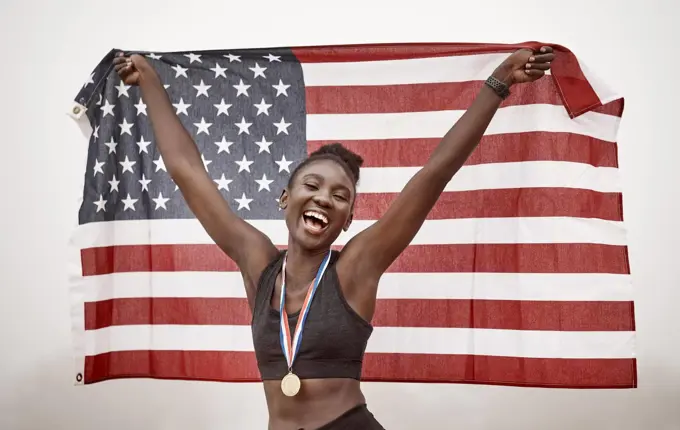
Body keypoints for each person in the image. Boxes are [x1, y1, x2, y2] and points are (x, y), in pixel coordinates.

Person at [113, 45, 554, 430]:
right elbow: (188, 173)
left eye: (340, 196)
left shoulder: (356, 266)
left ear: (346, 220)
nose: (324, 198)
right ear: (285, 198)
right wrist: (149, 81)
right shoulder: (259, 263)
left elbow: (433, 173)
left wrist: (497, 84)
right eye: (312, 186)